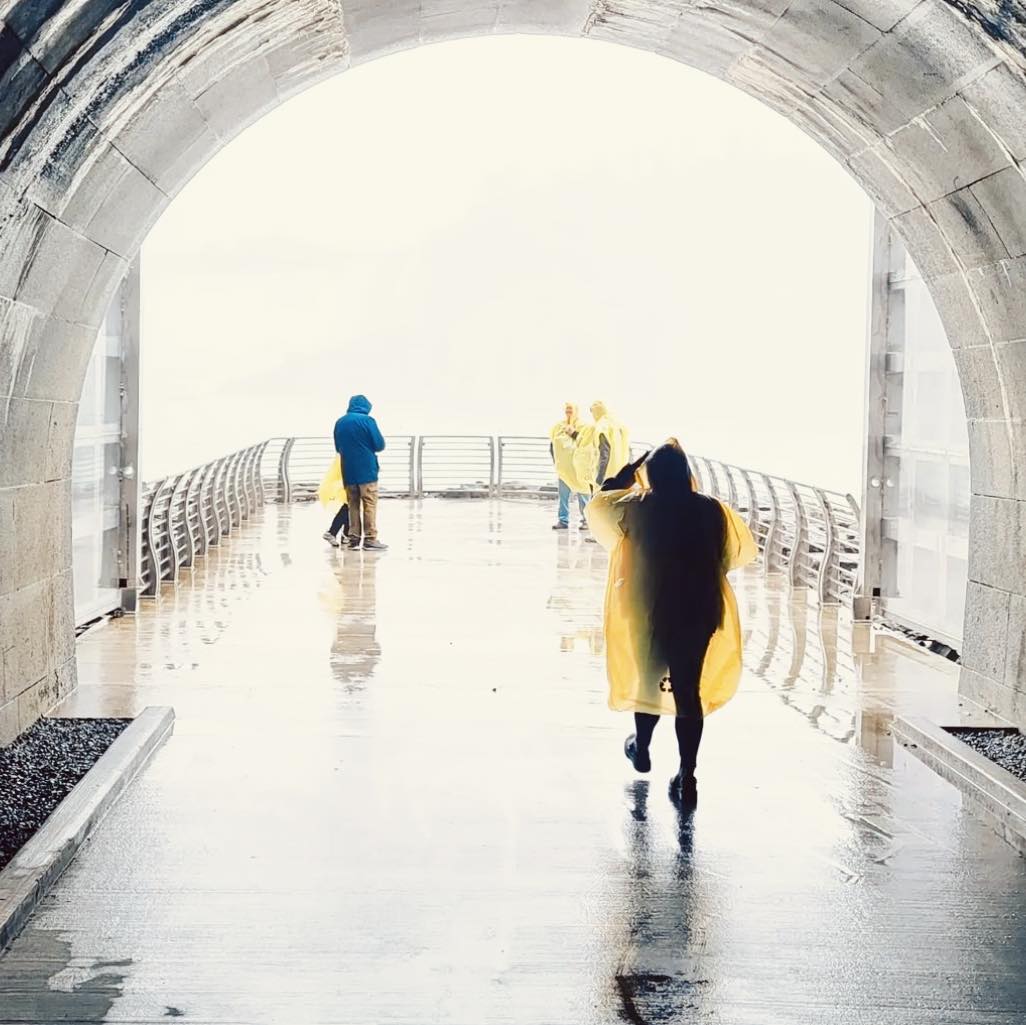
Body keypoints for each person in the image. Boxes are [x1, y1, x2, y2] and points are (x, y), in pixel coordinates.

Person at [585, 439, 757, 806]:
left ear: (651, 475)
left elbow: (599, 508)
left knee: (648, 680)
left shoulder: (638, 508)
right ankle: (687, 774)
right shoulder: (712, 511)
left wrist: (623, 478)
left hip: (648, 608)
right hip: (699, 608)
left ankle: (642, 747)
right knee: (688, 689)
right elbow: (728, 555)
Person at [334, 394, 387, 551]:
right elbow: (379, 444)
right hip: (367, 470)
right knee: (369, 503)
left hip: (348, 470)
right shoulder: (368, 421)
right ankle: (370, 539)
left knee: (353, 504)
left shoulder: (340, 422)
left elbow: (338, 447)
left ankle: (354, 539)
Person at [572, 400, 630, 498]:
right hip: (619, 475)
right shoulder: (618, 425)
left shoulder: (601, 427)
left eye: (592, 412)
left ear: (596, 412)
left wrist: (599, 480)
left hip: (605, 478)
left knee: (598, 507)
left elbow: (604, 455)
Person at [549, 402, 589, 530]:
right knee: (563, 495)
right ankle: (563, 520)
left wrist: (574, 433)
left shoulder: (583, 426)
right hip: (564, 468)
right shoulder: (559, 426)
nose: (568, 412)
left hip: (579, 468)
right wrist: (556, 461)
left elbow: (586, 442)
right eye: (567, 410)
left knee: (583, 493)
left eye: (571, 409)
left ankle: (586, 520)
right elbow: (553, 444)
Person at [319, 453, 349, 548]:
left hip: (345, 478)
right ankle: (332, 532)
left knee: (350, 507)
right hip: (347, 479)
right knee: (348, 506)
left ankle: (345, 535)